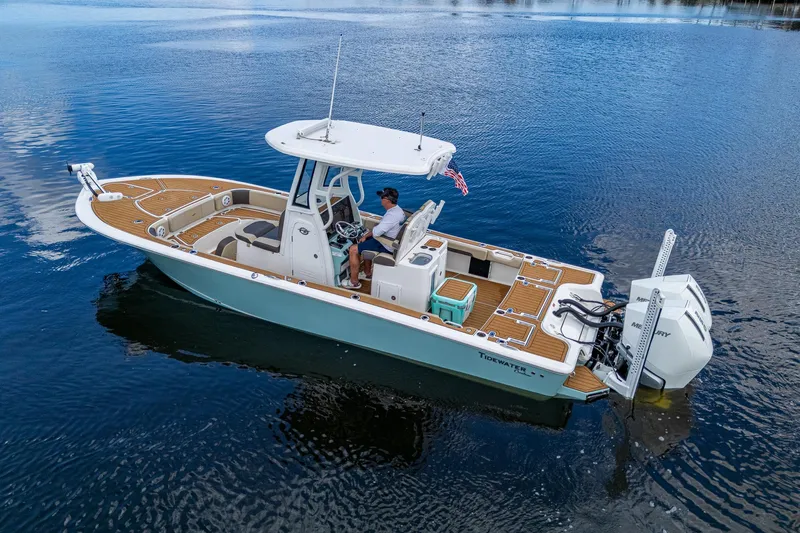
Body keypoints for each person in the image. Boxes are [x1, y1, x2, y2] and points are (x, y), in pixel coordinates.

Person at [341, 187, 404, 290]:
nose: (381, 200)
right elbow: (380, 229)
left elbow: (377, 232)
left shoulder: (391, 216)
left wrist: (368, 234)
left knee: (353, 249)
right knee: (367, 240)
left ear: (386, 200)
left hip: (387, 245)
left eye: (382, 198)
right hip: (389, 239)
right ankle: (367, 273)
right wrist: (366, 235)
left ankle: (353, 283)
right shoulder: (398, 210)